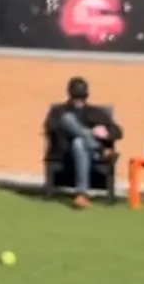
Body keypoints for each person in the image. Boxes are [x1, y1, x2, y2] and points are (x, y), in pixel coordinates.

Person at [45, 76, 123, 208]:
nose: (79, 100)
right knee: (68, 123)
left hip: (92, 157)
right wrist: (91, 134)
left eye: (81, 96)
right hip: (66, 154)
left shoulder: (94, 112)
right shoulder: (59, 111)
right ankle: (101, 150)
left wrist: (106, 133)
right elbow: (50, 127)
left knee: (79, 143)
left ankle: (82, 195)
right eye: (76, 95)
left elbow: (118, 132)